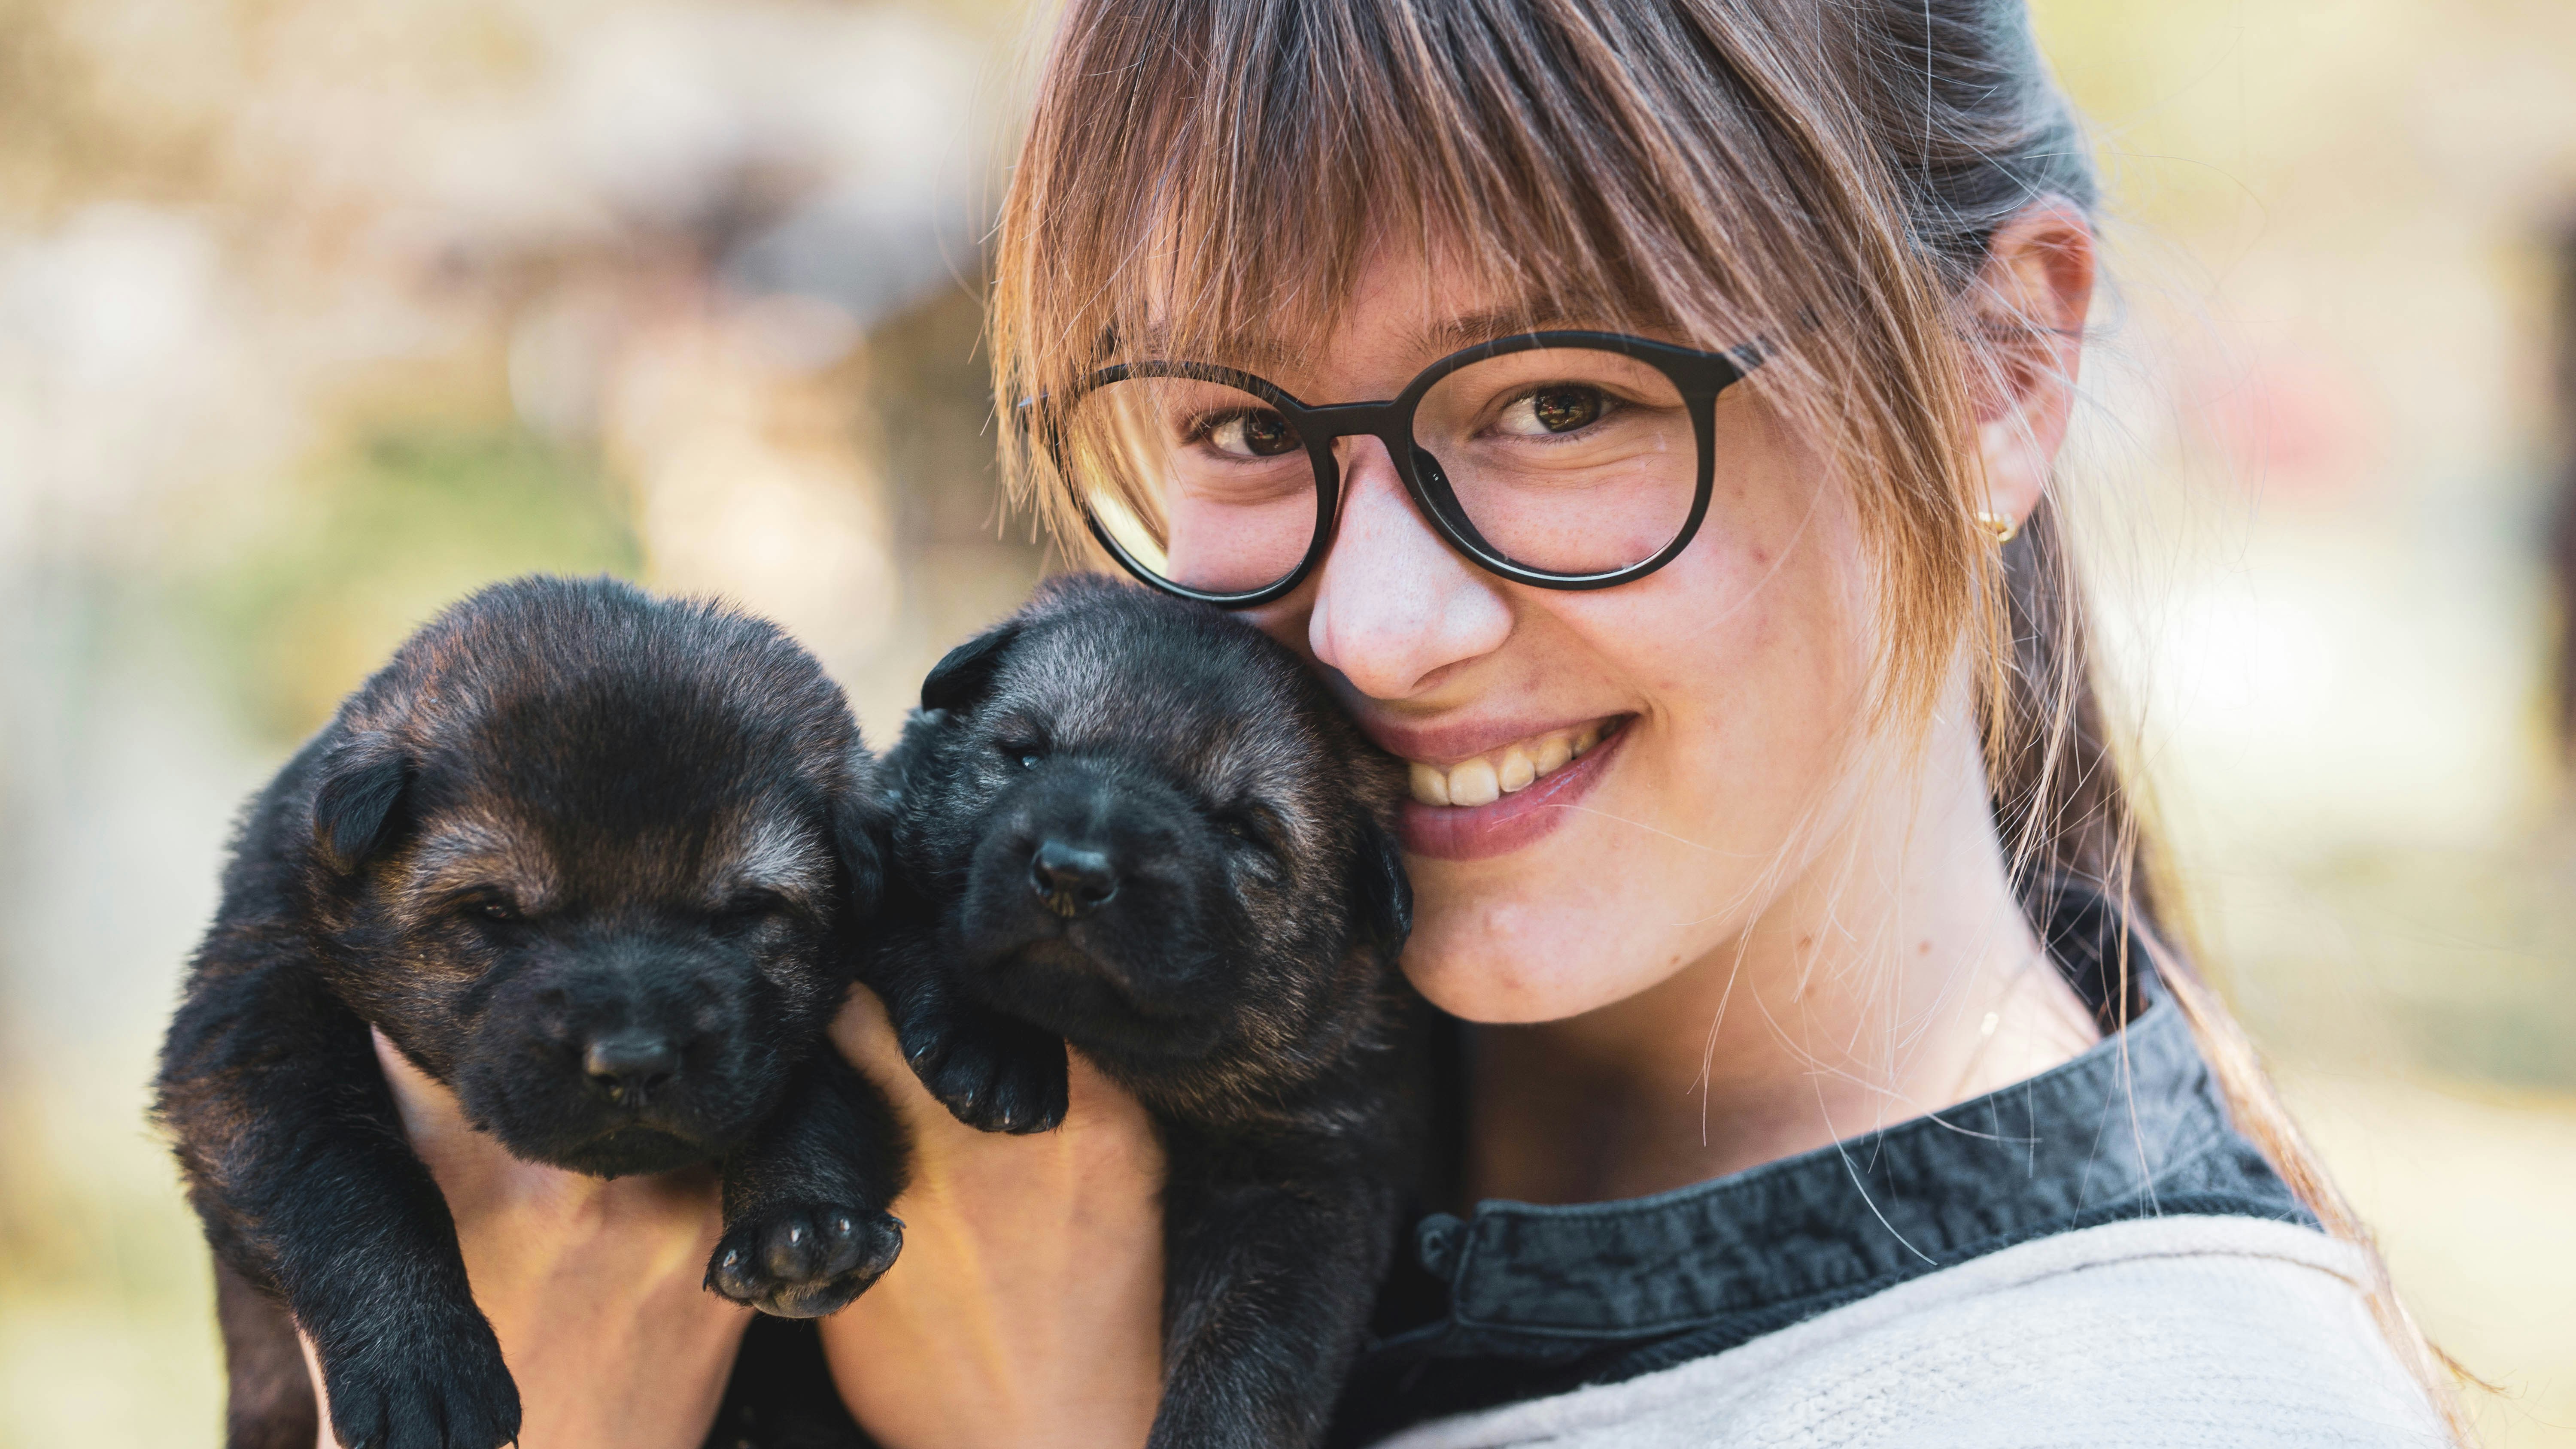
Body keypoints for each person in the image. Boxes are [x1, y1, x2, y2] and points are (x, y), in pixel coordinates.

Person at [325, 0, 2463, 1444]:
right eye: (1243, 422)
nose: (1379, 622)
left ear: (2001, 371)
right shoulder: (1078, 1052)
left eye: (1565, 402)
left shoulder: (2132, 1398)